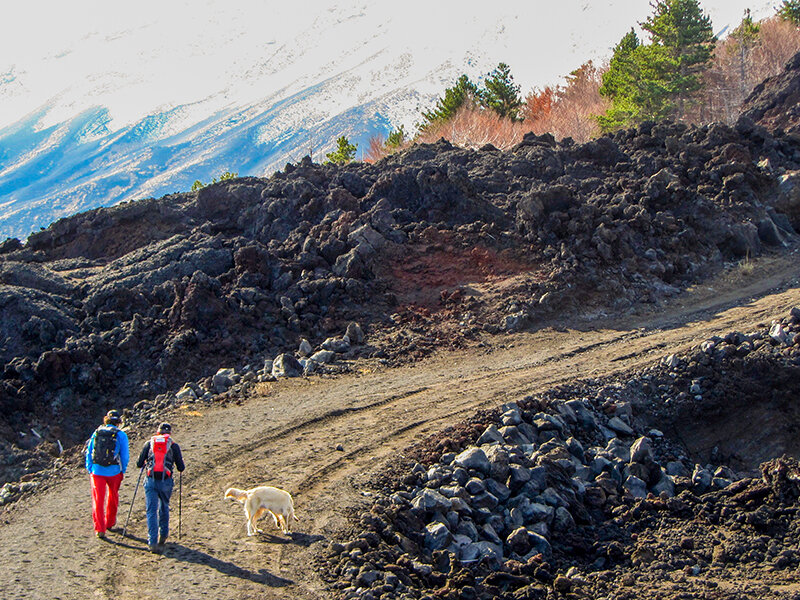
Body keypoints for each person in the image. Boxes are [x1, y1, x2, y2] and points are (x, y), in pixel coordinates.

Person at [136, 422, 185, 553]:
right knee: (164, 506)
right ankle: (163, 535)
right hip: (166, 481)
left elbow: (139, 463)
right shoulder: (174, 446)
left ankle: (152, 542)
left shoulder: (149, 443)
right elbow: (181, 467)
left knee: (151, 511)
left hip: (150, 480)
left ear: (158, 432)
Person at [85, 409, 130, 539]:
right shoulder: (121, 435)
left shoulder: (97, 432)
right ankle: (110, 522)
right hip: (114, 471)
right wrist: (122, 470)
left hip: (97, 471)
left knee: (98, 500)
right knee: (113, 495)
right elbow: (125, 456)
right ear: (119, 422)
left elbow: (89, 452)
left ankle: (100, 528)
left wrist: (90, 468)